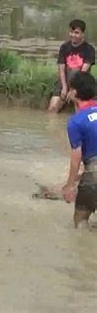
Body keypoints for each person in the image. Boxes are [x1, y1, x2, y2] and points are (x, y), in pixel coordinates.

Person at [62, 72, 97, 229]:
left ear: (74, 93)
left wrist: (69, 186)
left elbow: (76, 159)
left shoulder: (76, 122)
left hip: (94, 175)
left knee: (80, 224)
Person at [48, 20, 95, 113]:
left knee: (80, 111)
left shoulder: (89, 49)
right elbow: (61, 69)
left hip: (81, 83)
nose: (73, 35)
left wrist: (73, 89)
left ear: (83, 34)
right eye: (71, 32)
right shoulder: (64, 47)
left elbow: (83, 72)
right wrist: (65, 87)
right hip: (64, 80)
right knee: (53, 108)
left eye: (76, 33)